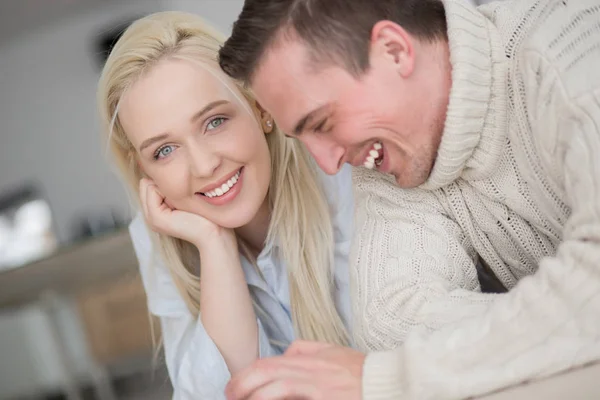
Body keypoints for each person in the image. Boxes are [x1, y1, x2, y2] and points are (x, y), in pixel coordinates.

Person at [218, 0, 600, 399]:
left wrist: (383, 379)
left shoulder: (573, 48)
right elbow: (391, 323)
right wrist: (562, 320)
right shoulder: (395, 154)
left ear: (394, 51)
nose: (328, 163)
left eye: (322, 123)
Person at [97, 11, 354, 399]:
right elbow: (210, 393)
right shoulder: (161, 234)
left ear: (259, 107)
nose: (204, 166)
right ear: (145, 171)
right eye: (165, 150)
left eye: (214, 121)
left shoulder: (338, 172)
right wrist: (214, 245)